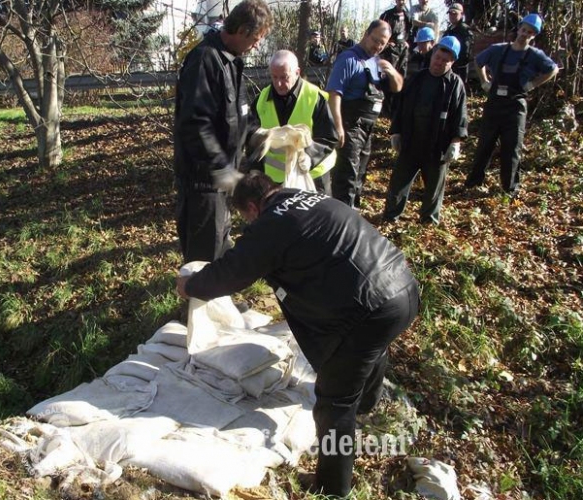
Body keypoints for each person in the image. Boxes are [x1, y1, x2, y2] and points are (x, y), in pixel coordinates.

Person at [176, 171, 420, 498]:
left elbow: (232, 272)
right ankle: (368, 403)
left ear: (251, 206)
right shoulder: (313, 198)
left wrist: (190, 285)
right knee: (372, 348)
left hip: (369, 308)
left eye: (244, 216)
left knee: (334, 402)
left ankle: (333, 487)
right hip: (402, 288)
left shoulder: (272, 223)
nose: (247, 222)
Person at [174, 0, 273, 263]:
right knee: (203, 258)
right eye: (256, 38)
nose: (257, 45)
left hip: (224, 180)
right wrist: (220, 167)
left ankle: (216, 302)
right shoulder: (205, 60)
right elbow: (195, 123)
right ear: (241, 30)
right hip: (204, 184)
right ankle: (199, 303)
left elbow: (240, 111)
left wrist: (255, 132)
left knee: (220, 246)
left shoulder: (231, 61)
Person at [463, 13, 558, 195]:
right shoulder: (498, 49)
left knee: (512, 148)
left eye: (530, 32)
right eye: (523, 30)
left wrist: (532, 84)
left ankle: (509, 188)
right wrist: (484, 82)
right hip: (495, 103)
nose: (525, 34)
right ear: (519, 28)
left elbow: (552, 69)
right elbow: (478, 61)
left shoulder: (535, 55)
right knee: (485, 144)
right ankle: (473, 183)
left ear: (533, 35)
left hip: (516, 105)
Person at [383, 36, 467, 225]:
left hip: (437, 146)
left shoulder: (455, 85)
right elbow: (401, 106)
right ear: (433, 54)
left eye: (445, 60)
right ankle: (390, 216)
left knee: (434, 188)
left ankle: (429, 221)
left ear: (452, 62)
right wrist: (395, 131)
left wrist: (456, 142)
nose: (440, 62)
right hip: (411, 141)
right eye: (438, 57)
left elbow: (460, 116)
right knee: (398, 183)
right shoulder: (417, 78)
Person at [325, 20, 404, 208]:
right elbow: (333, 94)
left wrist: (392, 72)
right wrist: (338, 127)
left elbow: (398, 87)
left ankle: (353, 213)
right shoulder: (348, 59)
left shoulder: (377, 62)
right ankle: (342, 217)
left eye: (382, 43)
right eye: (375, 40)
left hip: (367, 128)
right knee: (347, 177)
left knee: (360, 175)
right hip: (350, 126)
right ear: (366, 34)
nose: (377, 46)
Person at [250, 50, 338, 195]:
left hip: (313, 175)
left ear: (297, 72)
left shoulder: (314, 97)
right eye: (274, 77)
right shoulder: (261, 101)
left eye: (284, 77)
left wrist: (309, 157)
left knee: (314, 216)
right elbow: (253, 138)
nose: (278, 83)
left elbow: (329, 137)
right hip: (274, 179)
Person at [443, 3, 474, 85]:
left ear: (462, 14)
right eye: (450, 13)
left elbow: (466, 52)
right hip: (448, 66)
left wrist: (454, 62)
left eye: (455, 13)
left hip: (459, 68)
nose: (452, 16)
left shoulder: (464, 30)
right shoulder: (449, 30)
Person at [379, 0, 412, 77]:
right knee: (388, 73)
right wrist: (387, 43)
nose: (402, 2)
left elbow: (410, 31)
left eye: (404, 0)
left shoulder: (408, 16)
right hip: (389, 49)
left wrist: (407, 42)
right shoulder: (387, 15)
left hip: (402, 49)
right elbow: (379, 30)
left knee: (402, 73)